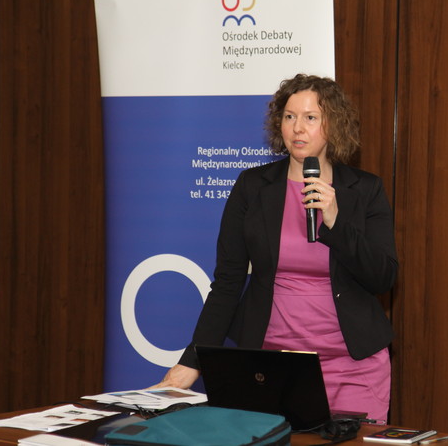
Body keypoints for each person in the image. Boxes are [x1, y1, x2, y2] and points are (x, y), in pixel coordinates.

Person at [153, 74, 398, 422]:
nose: (298, 128)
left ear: (333, 124)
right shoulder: (253, 187)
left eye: (311, 117)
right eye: (289, 116)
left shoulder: (365, 190)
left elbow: (382, 277)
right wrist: (192, 361)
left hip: (352, 365)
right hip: (270, 365)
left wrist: (336, 222)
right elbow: (227, 283)